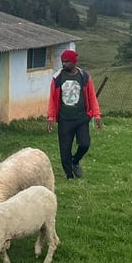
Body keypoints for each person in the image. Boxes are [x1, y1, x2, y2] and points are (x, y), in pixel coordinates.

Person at [47, 49, 102, 180]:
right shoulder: (57, 78)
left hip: (82, 118)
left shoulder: (84, 77)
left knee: (84, 144)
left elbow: (92, 96)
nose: (64, 64)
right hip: (65, 119)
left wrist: (96, 114)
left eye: (67, 62)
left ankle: (75, 161)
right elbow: (52, 99)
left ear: (73, 62)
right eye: (62, 61)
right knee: (65, 149)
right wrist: (51, 116)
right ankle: (69, 176)